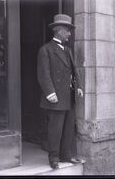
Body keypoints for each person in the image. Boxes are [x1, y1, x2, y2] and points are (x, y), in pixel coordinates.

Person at [37, 14, 83, 169]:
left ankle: (65, 155)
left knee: (68, 127)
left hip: (69, 95)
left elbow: (74, 70)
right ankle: (54, 158)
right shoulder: (46, 50)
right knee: (55, 129)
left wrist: (79, 87)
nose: (69, 33)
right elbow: (43, 74)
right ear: (58, 30)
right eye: (67, 30)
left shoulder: (68, 50)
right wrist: (50, 93)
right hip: (55, 96)